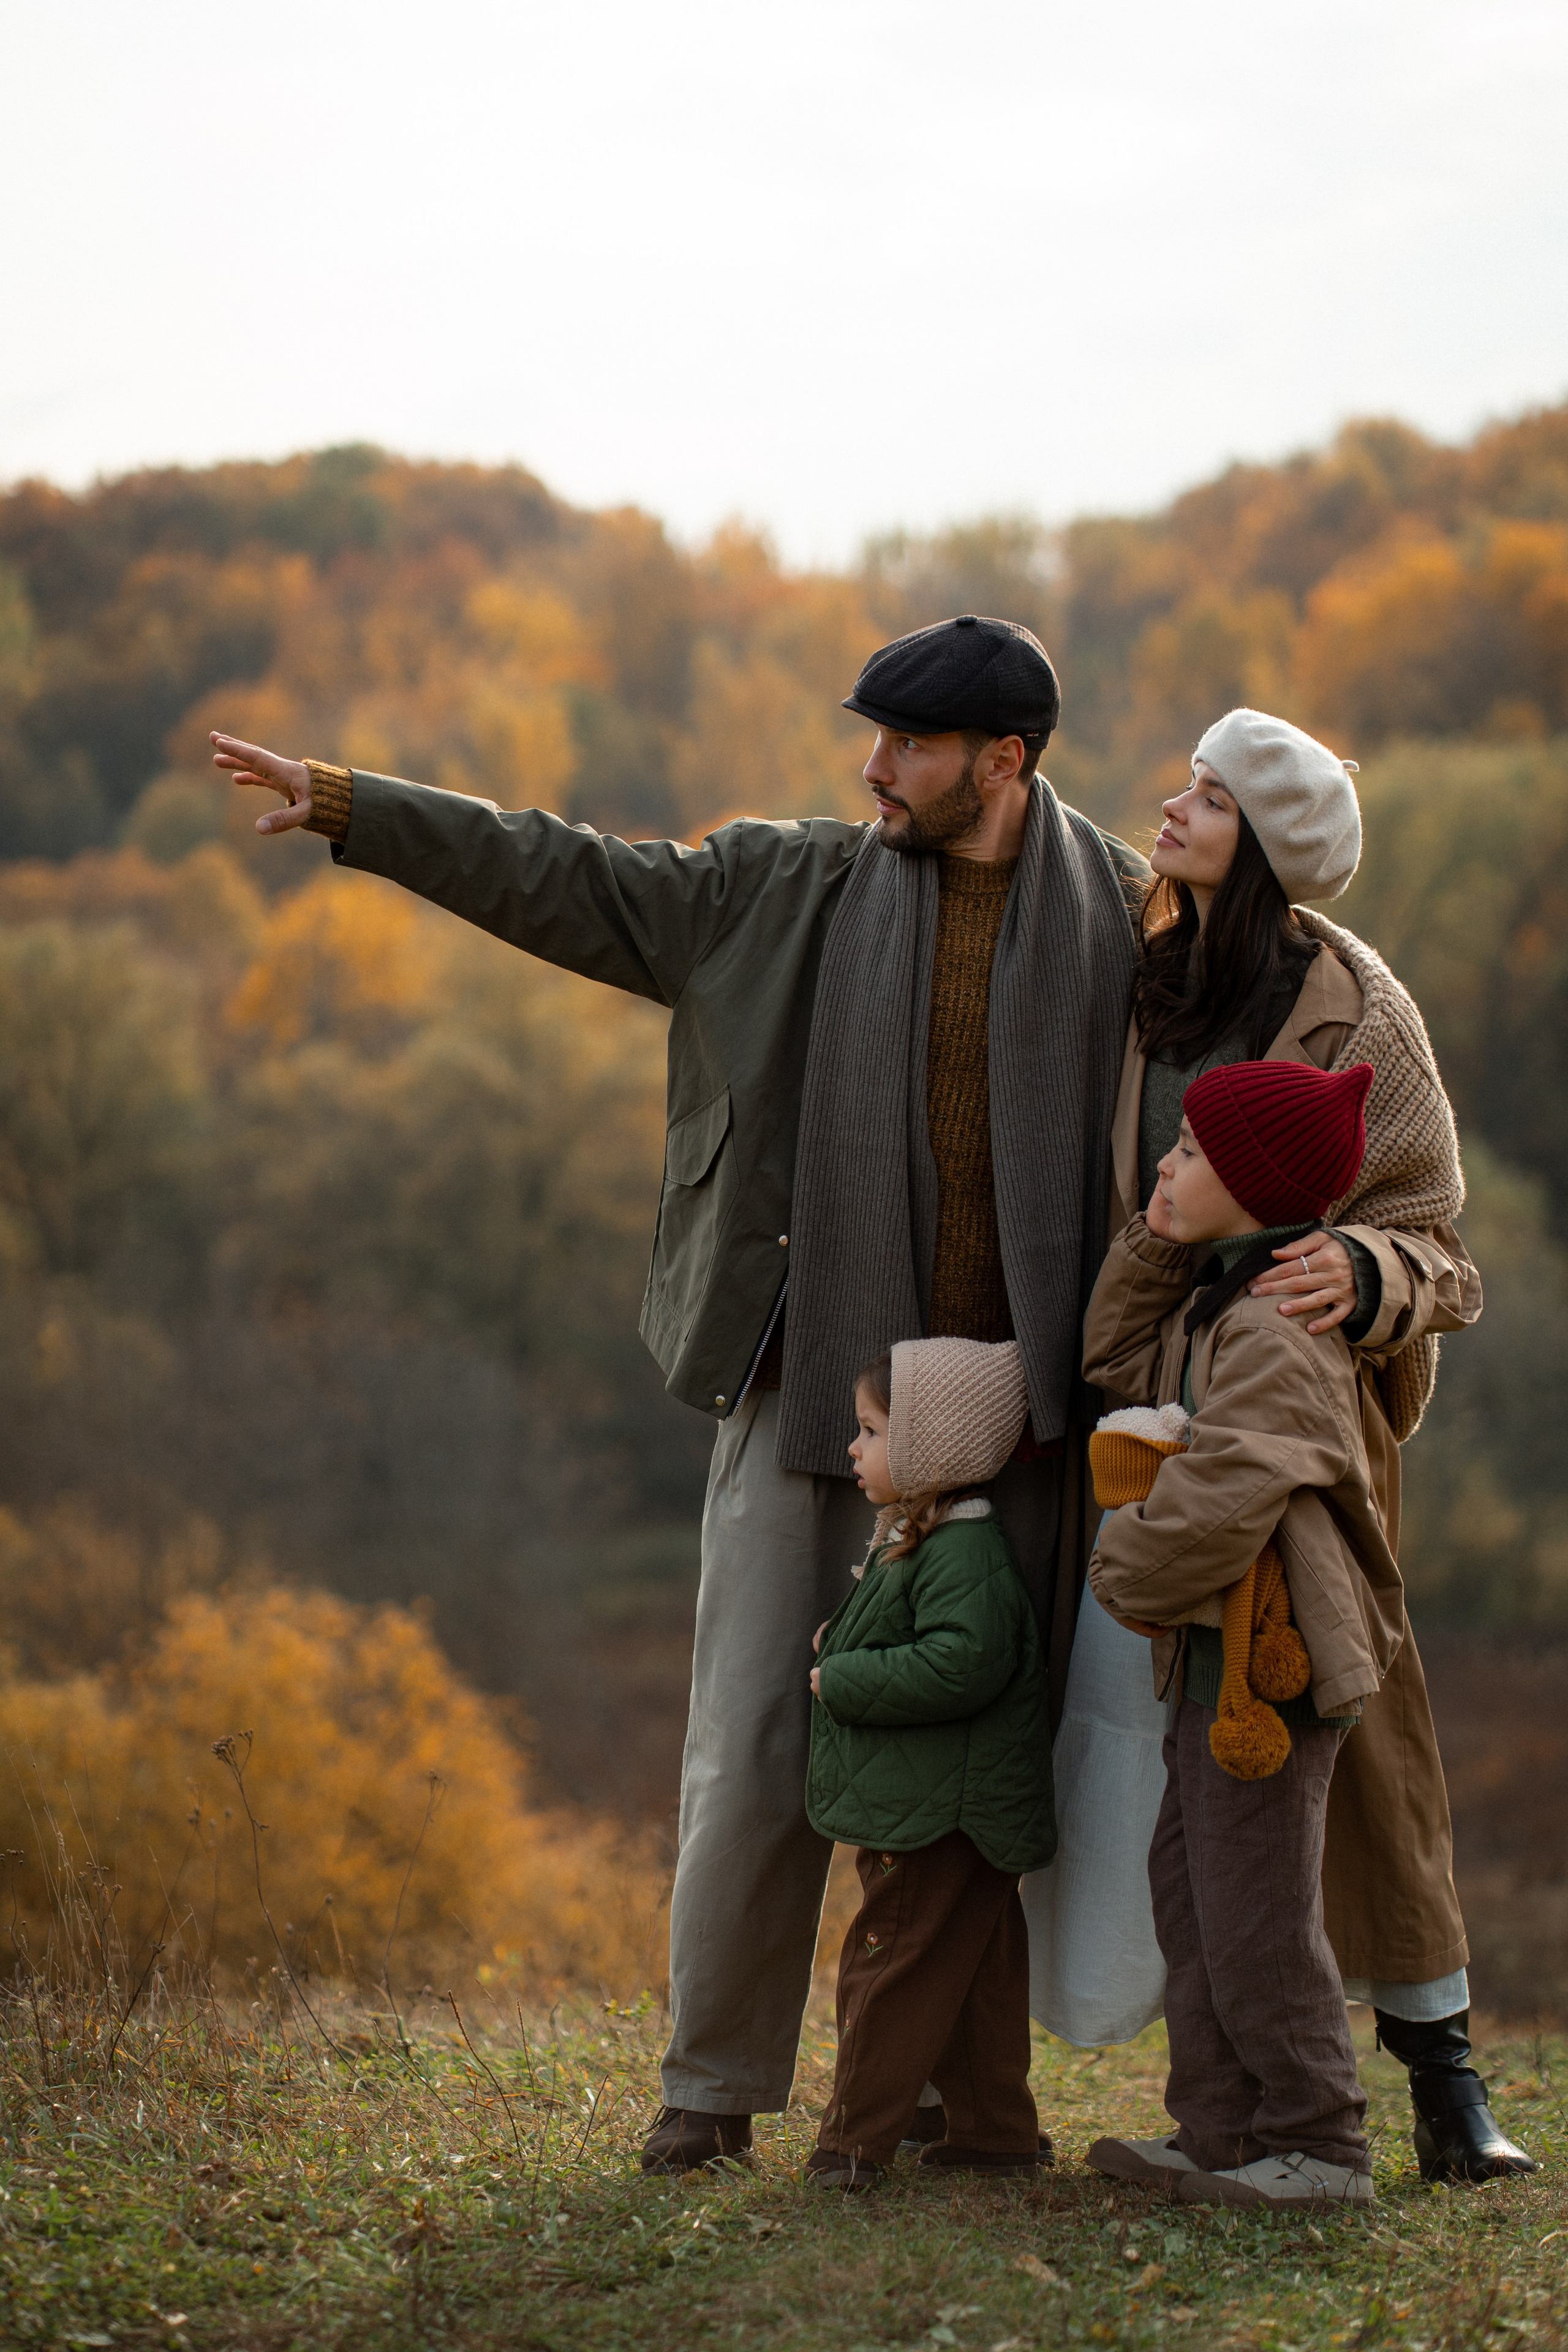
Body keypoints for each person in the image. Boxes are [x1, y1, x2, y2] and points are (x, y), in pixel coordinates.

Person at [209, 613, 1148, 2173]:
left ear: (1004, 759)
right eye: (872, 737)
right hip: (813, 1389)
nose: (872, 769)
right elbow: (572, 877)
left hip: (1014, 1409)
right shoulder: (788, 887)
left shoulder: (1122, 913)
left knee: (978, 1757)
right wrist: (354, 808)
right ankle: (709, 2088)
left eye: (907, 746)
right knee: (755, 1748)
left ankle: (935, 2101)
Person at [1023, 706, 1536, 2184]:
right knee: (1188, 1806)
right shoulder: (1143, 968)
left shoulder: (1359, 1012)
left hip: (1297, 1411)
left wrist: (1362, 1277)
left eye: (1206, 799)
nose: (1170, 812)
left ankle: (1435, 2088)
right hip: (1148, 1398)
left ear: (1268, 843)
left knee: (1358, 1765)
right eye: (1180, 787)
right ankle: (1220, 2117)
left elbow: (1446, 1251)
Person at [1081, 1056, 1393, 2211]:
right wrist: (1163, 1238)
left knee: (1258, 1908)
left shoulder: (1279, 1331)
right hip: (1214, 1666)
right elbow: (1113, 1362)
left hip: (1278, 1666)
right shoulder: (1219, 1301)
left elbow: (1230, 1485)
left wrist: (1126, 1568)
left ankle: (1319, 2144)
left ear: (1260, 1190)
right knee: (1194, 1892)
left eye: (1194, 1155)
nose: (1167, 1162)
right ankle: (1219, 2131)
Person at [804, 1336, 1053, 2190]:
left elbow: (960, 1663)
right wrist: (845, 1640)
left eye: (870, 1431)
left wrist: (841, 1677)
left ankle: (851, 2144)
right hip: (955, 1804)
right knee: (974, 1971)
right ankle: (995, 2134)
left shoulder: (961, 1550)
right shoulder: (926, 1537)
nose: (854, 1448)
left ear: (929, 1449)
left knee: (889, 1965)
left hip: (945, 1811)